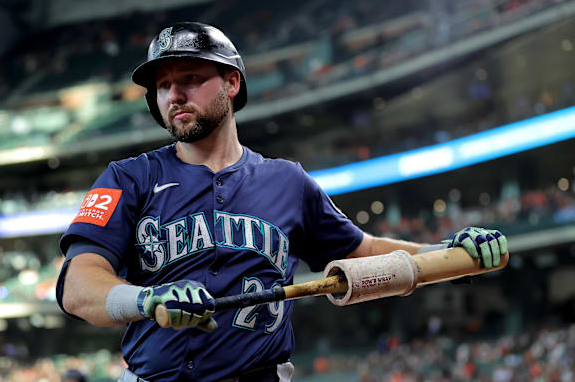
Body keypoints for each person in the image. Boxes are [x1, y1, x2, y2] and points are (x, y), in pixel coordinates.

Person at [56, 22, 508, 382]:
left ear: (232, 82)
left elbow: (363, 252)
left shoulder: (287, 181)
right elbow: (78, 286)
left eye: (190, 78)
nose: (173, 95)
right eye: (162, 85)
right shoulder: (128, 177)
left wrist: (447, 255)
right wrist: (146, 297)